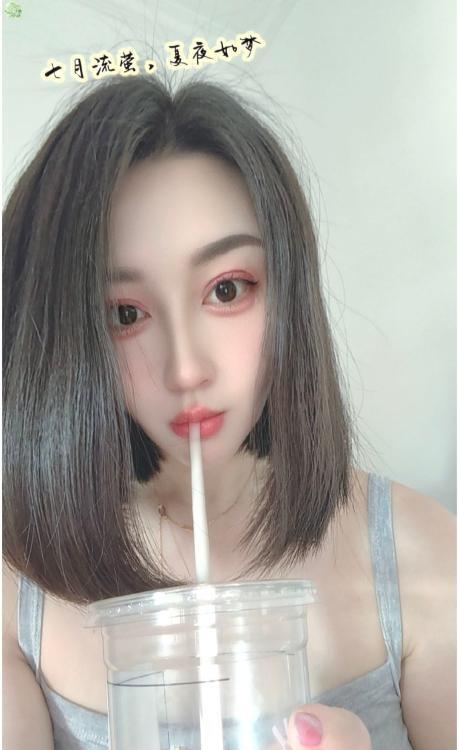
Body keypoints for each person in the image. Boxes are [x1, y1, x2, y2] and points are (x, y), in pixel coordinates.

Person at [2, 73, 455, 750]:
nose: (186, 369)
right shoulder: (19, 594)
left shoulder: (419, 553)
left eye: (226, 290)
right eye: (124, 313)